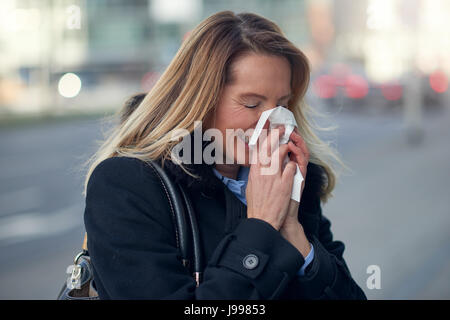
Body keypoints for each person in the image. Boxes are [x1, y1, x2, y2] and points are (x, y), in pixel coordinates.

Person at [81, 11, 367, 300]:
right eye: (252, 104)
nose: (272, 121)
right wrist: (262, 227)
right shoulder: (128, 185)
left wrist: (294, 235)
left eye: (282, 104)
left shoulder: (289, 183)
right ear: (200, 101)